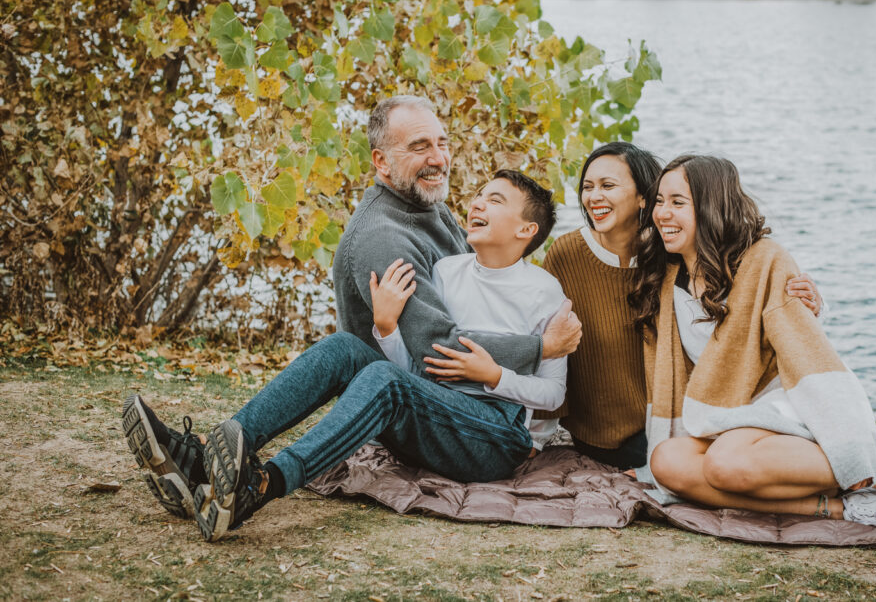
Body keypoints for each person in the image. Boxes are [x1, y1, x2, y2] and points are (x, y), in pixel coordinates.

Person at [121, 96, 582, 541]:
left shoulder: (435, 212)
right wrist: (539, 347)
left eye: (442, 142)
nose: (439, 157)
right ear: (382, 163)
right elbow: (433, 352)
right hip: (426, 395)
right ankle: (222, 471)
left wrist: (519, 360)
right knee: (348, 353)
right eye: (419, 147)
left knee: (370, 366)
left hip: (477, 424)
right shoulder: (384, 238)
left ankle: (223, 472)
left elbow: (523, 355)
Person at [633, 154, 876, 539]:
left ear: (709, 207)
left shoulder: (763, 258)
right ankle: (844, 508)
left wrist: (815, 308)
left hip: (781, 404)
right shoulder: (669, 278)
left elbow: (801, 337)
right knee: (667, 463)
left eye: (677, 202)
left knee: (724, 464)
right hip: (724, 411)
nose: (662, 213)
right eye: (659, 201)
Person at [531, 142, 824, 470]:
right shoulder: (567, 254)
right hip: (613, 435)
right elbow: (554, 346)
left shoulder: (670, 254)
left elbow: (733, 304)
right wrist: (535, 437)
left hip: (687, 416)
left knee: (744, 456)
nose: (594, 196)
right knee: (717, 465)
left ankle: (846, 471)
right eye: (588, 187)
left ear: (643, 196)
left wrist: (798, 303)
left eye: (608, 186)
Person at [370, 170, 567, 448]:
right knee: (343, 349)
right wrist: (387, 327)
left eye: (495, 201)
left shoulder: (545, 291)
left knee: (381, 376)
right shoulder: (446, 272)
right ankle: (289, 467)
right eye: (478, 196)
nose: (476, 203)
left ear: (525, 229)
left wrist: (494, 377)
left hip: (493, 433)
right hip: (434, 414)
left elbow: (554, 393)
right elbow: (419, 371)